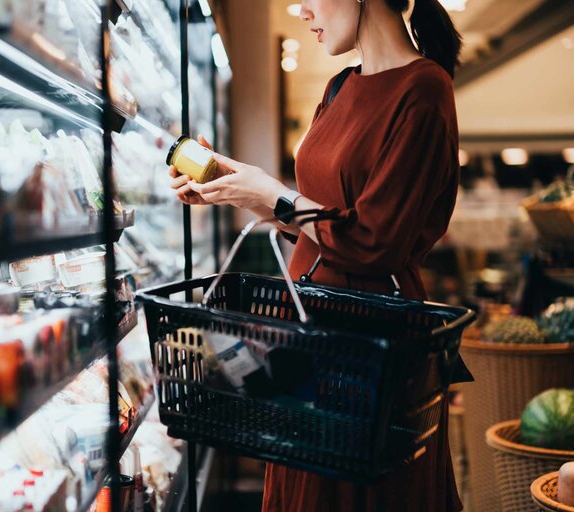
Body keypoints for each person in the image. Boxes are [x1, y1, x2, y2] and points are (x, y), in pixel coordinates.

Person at [170, 0, 464, 509]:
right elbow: (324, 224)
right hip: (309, 333)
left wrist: (273, 195)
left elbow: (375, 241)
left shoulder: (423, 88)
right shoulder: (338, 88)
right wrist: (241, 189)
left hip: (367, 347)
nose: (301, 9)